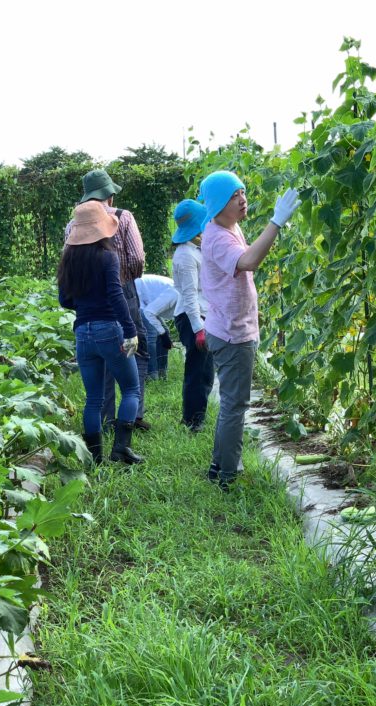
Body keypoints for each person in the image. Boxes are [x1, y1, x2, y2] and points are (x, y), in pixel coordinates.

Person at [198, 171, 301, 488]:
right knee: (235, 404)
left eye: (243, 192)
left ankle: (220, 466)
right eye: (234, 195)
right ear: (217, 203)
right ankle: (227, 475)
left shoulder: (228, 227)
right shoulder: (217, 237)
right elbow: (249, 261)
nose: (243, 199)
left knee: (232, 402)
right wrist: (277, 222)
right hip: (231, 334)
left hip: (231, 328)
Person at [57, 201, 144, 465]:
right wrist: (130, 330)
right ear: (102, 229)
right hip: (110, 330)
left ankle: (94, 458)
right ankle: (121, 449)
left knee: (93, 398)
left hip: (83, 332)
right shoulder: (108, 257)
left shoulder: (68, 260)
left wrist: (85, 306)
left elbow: (65, 300)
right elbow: (116, 296)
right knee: (131, 389)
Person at [64, 169, 151, 431]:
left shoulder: (72, 226)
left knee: (97, 382)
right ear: (109, 197)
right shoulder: (123, 218)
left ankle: (103, 424)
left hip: (83, 309)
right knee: (136, 353)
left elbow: (65, 285)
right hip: (120, 294)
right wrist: (124, 280)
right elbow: (136, 259)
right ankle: (130, 422)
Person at [170, 199, 214, 432]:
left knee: (205, 371)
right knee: (197, 372)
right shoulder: (186, 254)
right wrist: (199, 328)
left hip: (200, 316)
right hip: (192, 317)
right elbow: (189, 295)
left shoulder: (195, 249)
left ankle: (196, 418)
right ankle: (192, 421)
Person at [135, 273, 179, 380]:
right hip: (137, 296)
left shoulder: (182, 298)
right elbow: (149, 312)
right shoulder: (175, 294)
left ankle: (162, 372)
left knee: (165, 331)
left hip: (148, 302)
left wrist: (164, 334)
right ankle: (151, 375)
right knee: (152, 333)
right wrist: (163, 334)